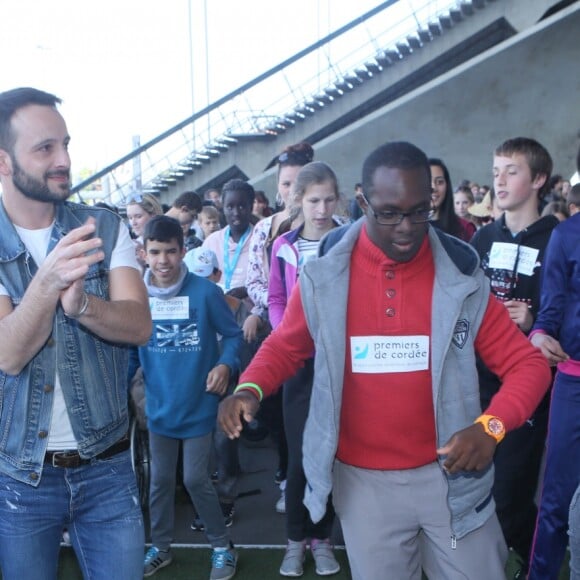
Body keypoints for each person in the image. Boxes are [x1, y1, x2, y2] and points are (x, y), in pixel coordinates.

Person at [218, 141, 552, 580]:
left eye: (419, 212)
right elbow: (285, 345)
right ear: (362, 201)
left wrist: (491, 427)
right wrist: (249, 388)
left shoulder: (459, 273)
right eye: (389, 213)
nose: (407, 228)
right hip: (365, 490)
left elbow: (527, 366)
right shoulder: (326, 276)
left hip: (451, 484)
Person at [0, 87, 152, 579]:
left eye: (65, 144)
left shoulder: (104, 228)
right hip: (20, 477)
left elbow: (139, 325)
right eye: (45, 148)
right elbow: (8, 353)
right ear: (3, 162)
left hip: (107, 468)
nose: (64, 159)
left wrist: (83, 303)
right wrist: (46, 283)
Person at [470, 136, 559, 577]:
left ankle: (533, 557)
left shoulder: (559, 238)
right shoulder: (481, 238)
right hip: (475, 381)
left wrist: (536, 319)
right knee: (474, 485)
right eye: (495, 172)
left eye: (512, 171)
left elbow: (567, 311)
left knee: (509, 492)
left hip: (529, 387)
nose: (499, 182)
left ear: (539, 179)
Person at [139, 216, 241, 580]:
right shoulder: (136, 295)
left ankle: (221, 546)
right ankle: (161, 548)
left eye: (170, 251)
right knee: (160, 481)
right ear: (143, 254)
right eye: (155, 252)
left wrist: (226, 365)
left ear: (184, 251)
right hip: (158, 408)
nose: (163, 260)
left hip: (199, 406)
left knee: (196, 479)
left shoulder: (205, 292)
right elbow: (125, 348)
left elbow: (233, 336)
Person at [268, 162, 342, 576]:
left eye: (329, 199)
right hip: (298, 365)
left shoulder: (350, 239)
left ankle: (323, 539)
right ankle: (295, 542)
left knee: (329, 455)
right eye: (314, 200)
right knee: (299, 459)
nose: (322, 208)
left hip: (341, 364)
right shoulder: (284, 246)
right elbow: (276, 298)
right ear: (298, 200)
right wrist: (287, 336)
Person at [527, 160, 580, 580]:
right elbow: (551, 308)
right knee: (556, 498)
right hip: (574, 382)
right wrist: (540, 332)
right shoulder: (567, 236)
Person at [428, 158, 476, 241]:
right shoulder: (409, 227)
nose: (434, 188)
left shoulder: (465, 228)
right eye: (428, 181)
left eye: (439, 182)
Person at [126, 192, 164, 268]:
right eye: (130, 218)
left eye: (138, 216)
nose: (133, 223)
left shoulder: (169, 240)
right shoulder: (131, 246)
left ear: (153, 215)